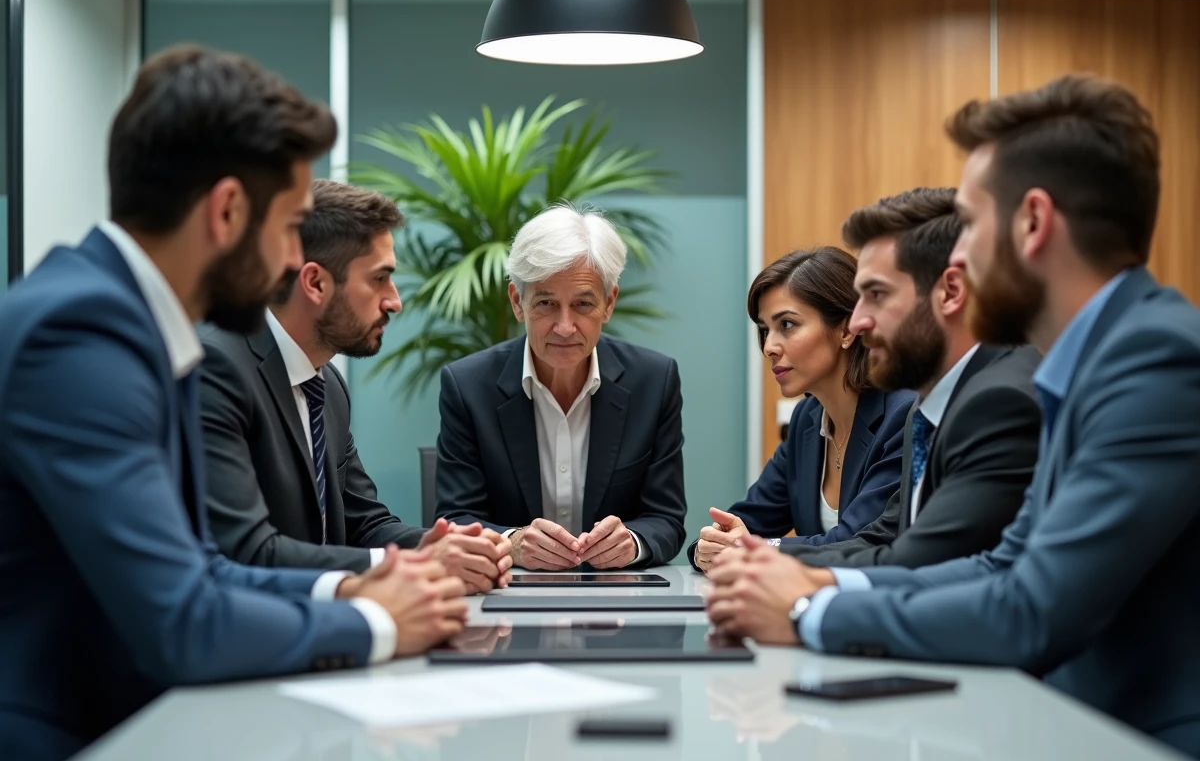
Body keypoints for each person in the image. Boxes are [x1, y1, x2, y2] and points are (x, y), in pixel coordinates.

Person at [0, 46, 467, 761]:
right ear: (225, 212)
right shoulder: (82, 335)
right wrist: (374, 622)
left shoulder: (137, 324)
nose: (290, 263)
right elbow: (183, 620)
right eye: (288, 227)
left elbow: (206, 569)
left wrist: (353, 586)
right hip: (67, 748)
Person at [705, 74, 1200, 758]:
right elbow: (1002, 564)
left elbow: (1030, 609)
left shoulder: (1152, 360)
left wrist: (808, 608)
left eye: (969, 223)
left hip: (1139, 748)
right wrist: (817, 582)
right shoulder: (1087, 362)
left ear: (1032, 223)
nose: (956, 258)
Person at [199, 179, 512, 594]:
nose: (394, 301)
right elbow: (247, 550)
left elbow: (365, 525)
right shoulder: (218, 368)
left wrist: (447, 547)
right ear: (315, 283)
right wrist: (414, 563)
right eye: (380, 278)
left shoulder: (327, 386)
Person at [781, 187, 1042, 569]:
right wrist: (762, 556)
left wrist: (801, 583)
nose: (857, 321)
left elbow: (922, 561)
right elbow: (883, 538)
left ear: (950, 292)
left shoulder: (1000, 403)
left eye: (876, 294)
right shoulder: (931, 407)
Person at [435, 204, 687, 569]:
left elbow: (665, 518)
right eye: (546, 303)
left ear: (609, 303)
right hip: (508, 592)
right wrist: (512, 542)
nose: (565, 326)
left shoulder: (654, 381)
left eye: (583, 304)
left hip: (618, 594)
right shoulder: (467, 386)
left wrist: (632, 542)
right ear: (517, 302)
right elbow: (456, 518)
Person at [689, 247, 914, 572]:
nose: (769, 347)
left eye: (787, 324)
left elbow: (862, 541)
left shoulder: (903, 415)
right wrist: (709, 547)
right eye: (764, 330)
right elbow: (746, 521)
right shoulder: (806, 420)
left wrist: (754, 548)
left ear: (847, 329)